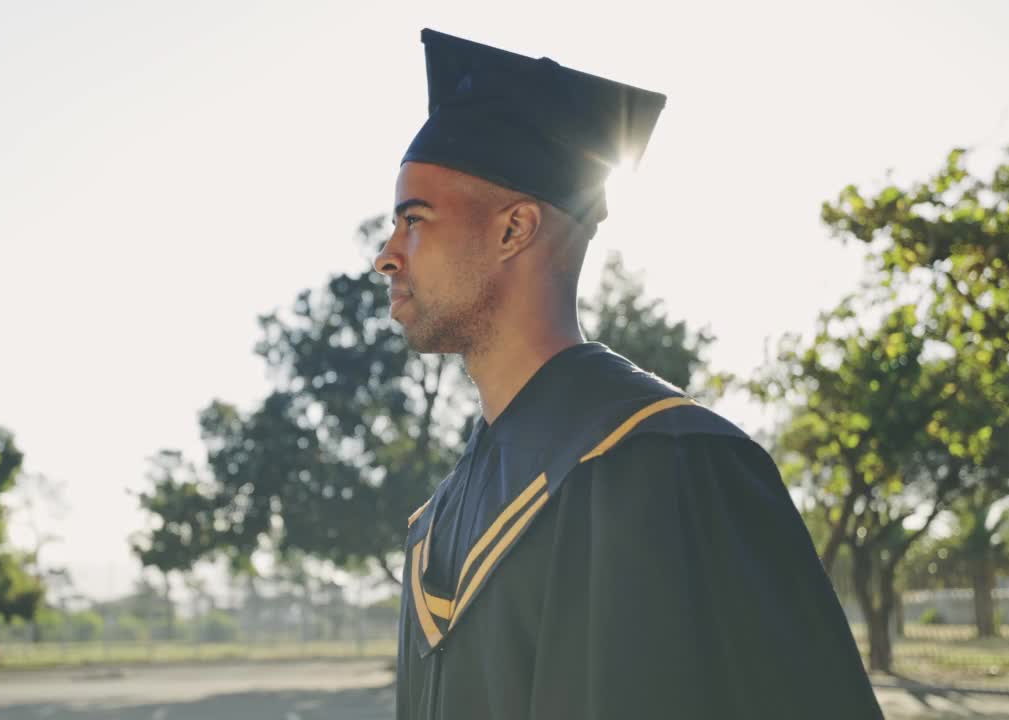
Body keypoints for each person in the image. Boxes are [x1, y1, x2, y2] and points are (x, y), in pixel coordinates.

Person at [375, 29, 884, 719]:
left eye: (414, 221)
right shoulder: (437, 521)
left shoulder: (676, 464)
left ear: (512, 230)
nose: (387, 255)